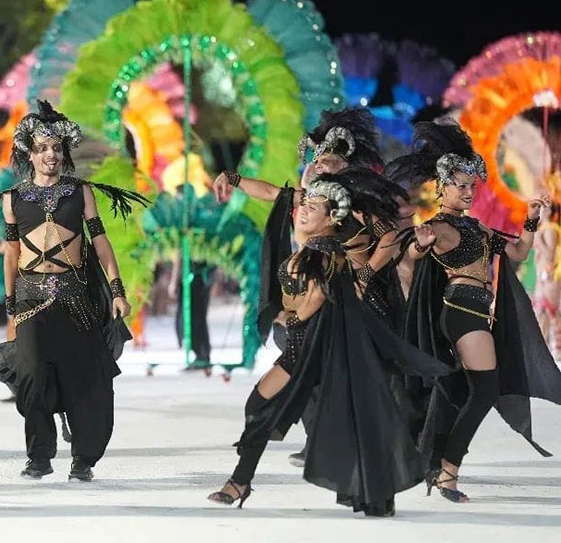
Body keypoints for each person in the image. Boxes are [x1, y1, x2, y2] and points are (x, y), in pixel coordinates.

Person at [206, 173, 450, 516]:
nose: (303, 209)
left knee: (264, 408)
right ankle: (242, 482)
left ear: (333, 216)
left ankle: (240, 482)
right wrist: (233, 178)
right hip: (311, 345)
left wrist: (295, 318)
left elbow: (321, 292)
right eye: (304, 203)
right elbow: (275, 193)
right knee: (322, 416)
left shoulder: (327, 244)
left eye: (313, 207)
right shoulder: (319, 239)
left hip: (312, 346)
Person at [0, 100, 146, 482]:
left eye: (57, 148)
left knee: (84, 380)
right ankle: (39, 457)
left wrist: (117, 290)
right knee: (31, 377)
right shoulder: (12, 199)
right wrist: (10, 303)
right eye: (43, 148)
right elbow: (12, 254)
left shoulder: (80, 192)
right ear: (29, 153)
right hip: (30, 299)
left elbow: (101, 243)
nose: (51, 155)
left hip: (75, 298)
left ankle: (83, 459)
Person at [213, 108, 408, 468]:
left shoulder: (355, 202)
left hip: (354, 299)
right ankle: (320, 437)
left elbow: (390, 237)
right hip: (313, 297)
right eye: (317, 159)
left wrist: (366, 274)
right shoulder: (311, 198)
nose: (319, 164)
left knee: (354, 373)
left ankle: (376, 441)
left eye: (328, 160)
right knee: (300, 358)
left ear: (345, 165)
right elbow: (271, 192)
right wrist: (233, 177)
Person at [389, 119, 561, 503]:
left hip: (479, 312)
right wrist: (418, 245)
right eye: (460, 186)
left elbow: (518, 252)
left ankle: (439, 463)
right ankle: (448, 471)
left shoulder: (478, 229)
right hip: (461, 310)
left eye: (472, 186)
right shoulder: (439, 227)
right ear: (442, 187)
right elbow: (413, 253)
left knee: (467, 391)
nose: (468, 192)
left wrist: (531, 218)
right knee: (485, 391)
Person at [533, 203, 561, 358]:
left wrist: (538, 238)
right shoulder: (543, 228)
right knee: (541, 312)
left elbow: (550, 255)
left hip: (549, 276)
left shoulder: (550, 229)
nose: (542, 210)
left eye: (547, 208)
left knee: (550, 312)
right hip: (542, 275)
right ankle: (544, 349)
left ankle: (556, 350)